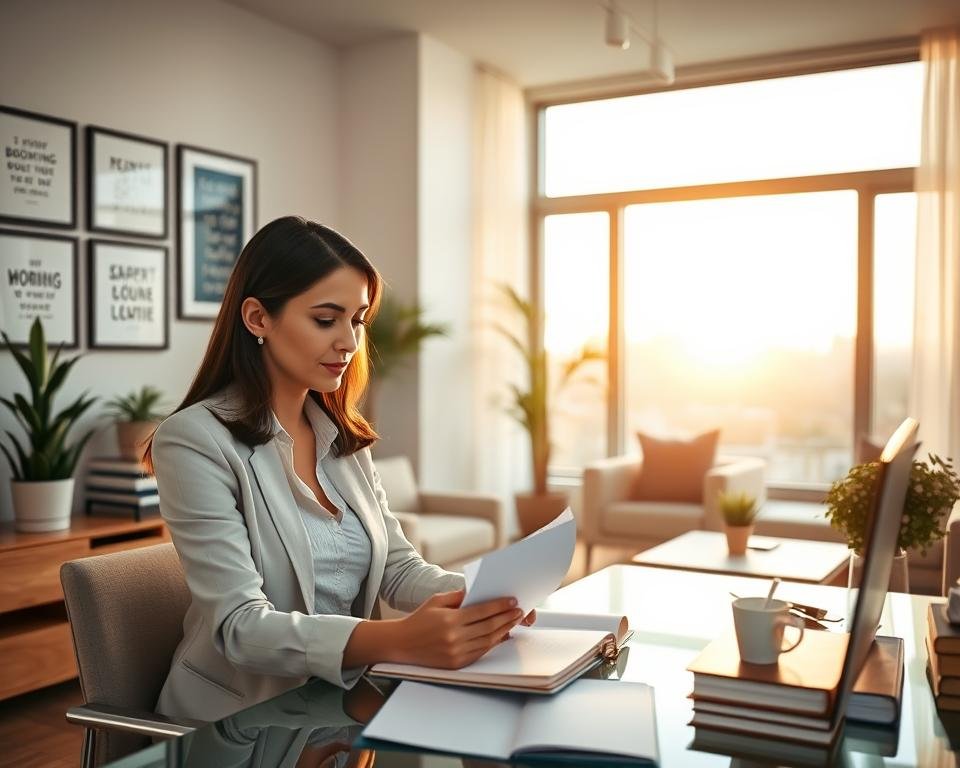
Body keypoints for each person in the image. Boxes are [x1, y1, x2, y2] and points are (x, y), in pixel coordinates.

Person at [146, 216, 530, 723]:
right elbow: (241, 626)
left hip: (339, 709)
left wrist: (486, 600)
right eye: (326, 320)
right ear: (258, 318)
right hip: (236, 723)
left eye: (358, 320)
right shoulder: (194, 440)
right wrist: (396, 639)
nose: (349, 342)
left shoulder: (342, 439)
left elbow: (399, 569)